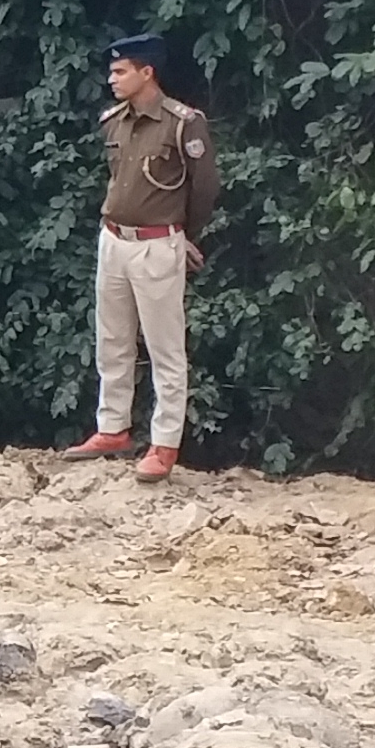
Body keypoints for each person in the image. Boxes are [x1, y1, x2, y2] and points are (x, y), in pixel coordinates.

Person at [65, 32, 215, 481]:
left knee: (165, 349)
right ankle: (113, 427)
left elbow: (204, 188)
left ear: (146, 73)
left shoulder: (181, 122)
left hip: (157, 243)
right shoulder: (114, 120)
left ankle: (164, 444)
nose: (111, 79)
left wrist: (186, 235)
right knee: (111, 339)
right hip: (114, 239)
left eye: (120, 71)